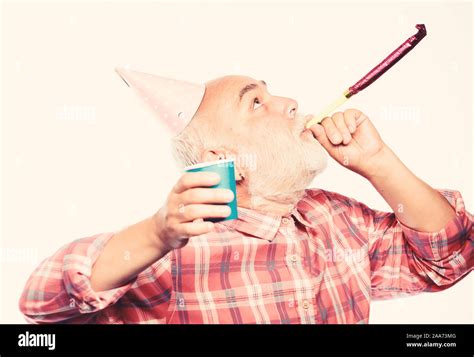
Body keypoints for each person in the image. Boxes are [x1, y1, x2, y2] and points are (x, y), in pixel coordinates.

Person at [19, 69, 472, 324]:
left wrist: (378, 160)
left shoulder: (339, 220)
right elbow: (42, 304)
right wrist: (157, 233)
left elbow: (448, 256)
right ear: (222, 157)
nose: (291, 102)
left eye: (272, 93)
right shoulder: (175, 255)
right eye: (255, 102)